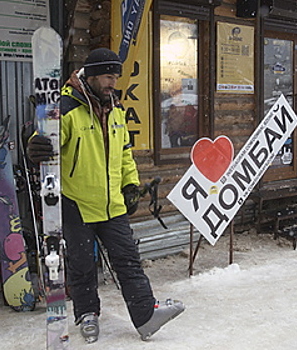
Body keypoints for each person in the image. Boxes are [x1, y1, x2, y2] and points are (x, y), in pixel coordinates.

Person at [27, 48, 185, 343]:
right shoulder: (67, 107)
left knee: (128, 260)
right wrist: (35, 145)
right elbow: (46, 140)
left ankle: (145, 316)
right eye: (109, 76)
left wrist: (130, 185)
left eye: (116, 76)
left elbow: (125, 153)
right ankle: (87, 315)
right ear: (93, 74)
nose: (113, 82)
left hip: (112, 203)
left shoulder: (115, 109)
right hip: (77, 202)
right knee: (82, 264)